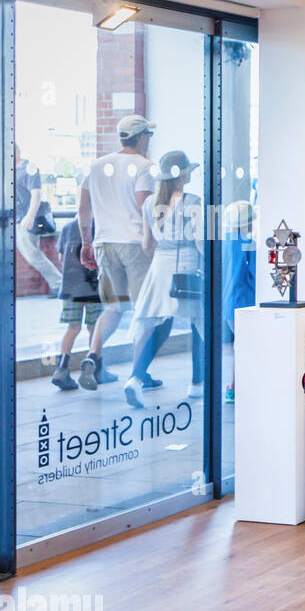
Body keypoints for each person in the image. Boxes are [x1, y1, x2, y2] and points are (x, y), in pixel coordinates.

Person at [77, 114, 157, 390]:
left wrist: (86, 242)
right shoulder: (144, 166)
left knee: (112, 308)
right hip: (134, 244)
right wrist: (153, 243)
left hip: (103, 244)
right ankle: (138, 374)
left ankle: (92, 355)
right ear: (142, 137)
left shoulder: (97, 165)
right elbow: (144, 208)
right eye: (149, 135)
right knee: (144, 310)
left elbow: (83, 210)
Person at [125, 150, 205, 408]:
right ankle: (197, 383)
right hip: (186, 266)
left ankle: (135, 378)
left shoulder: (149, 203)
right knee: (199, 324)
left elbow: (147, 244)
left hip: (160, 266)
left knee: (161, 324)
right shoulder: (193, 201)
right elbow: (199, 241)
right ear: (182, 174)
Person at [50, 213, 103, 391]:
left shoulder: (67, 227)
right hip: (93, 288)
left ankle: (61, 368)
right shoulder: (99, 226)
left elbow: (60, 257)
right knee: (94, 327)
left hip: (70, 287)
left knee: (73, 327)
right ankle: (93, 369)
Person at [221, 200, 257, 403]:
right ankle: (235, 388)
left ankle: (233, 388)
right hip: (244, 301)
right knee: (244, 347)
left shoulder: (223, 242)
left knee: (239, 346)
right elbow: (254, 275)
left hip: (227, 303)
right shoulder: (248, 243)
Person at [14, 146, 62, 293]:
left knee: (33, 255)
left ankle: (59, 284)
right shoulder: (9, 169)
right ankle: (58, 284)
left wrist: (30, 217)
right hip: (15, 219)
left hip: (25, 219)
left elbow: (36, 195)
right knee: (31, 254)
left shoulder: (29, 168)